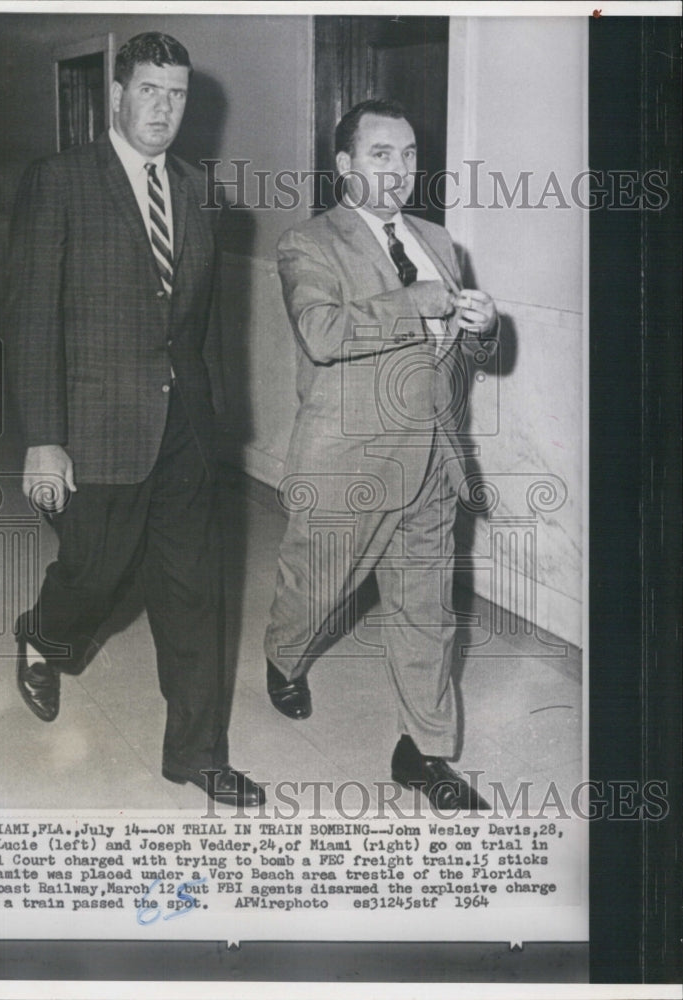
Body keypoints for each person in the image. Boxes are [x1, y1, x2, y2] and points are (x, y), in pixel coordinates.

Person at [6, 32, 264, 808]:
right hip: (98, 424)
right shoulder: (59, 180)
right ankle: (43, 636)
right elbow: (31, 317)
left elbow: (204, 317)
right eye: (149, 90)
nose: (163, 108)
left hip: (184, 426)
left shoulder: (196, 189)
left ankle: (195, 753)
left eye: (176, 95)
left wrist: (215, 417)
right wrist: (44, 440)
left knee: (192, 591)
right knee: (96, 574)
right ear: (116, 96)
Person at [264, 99, 498, 810]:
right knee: (316, 590)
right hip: (347, 461)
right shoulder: (308, 243)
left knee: (425, 611)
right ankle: (283, 656)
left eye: (409, 154)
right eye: (381, 154)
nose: (399, 170)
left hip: (431, 460)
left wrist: (483, 328)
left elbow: (456, 357)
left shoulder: (439, 241)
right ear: (344, 165)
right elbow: (321, 332)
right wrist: (413, 301)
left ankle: (423, 752)